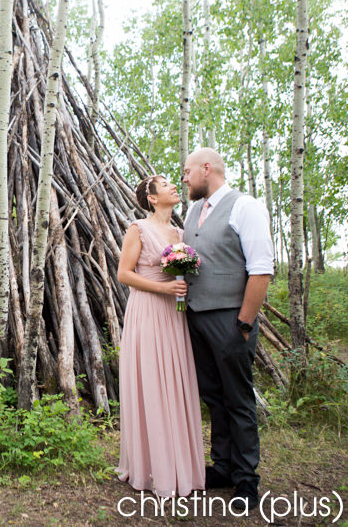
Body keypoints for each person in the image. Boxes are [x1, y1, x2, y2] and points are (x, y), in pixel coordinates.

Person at [181, 147, 274, 511]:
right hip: (197, 317)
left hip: (231, 319)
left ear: (207, 169)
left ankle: (247, 479)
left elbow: (261, 269)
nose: (184, 178)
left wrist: (244, 322)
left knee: (238, 398)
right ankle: (222, 466)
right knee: (214, 397)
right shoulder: (193, 211)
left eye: (188, 171)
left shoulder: (244, 206)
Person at [115, 174, 205, 497]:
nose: (173, 186)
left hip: (174, 315)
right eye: (165, 185)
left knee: (176, 383)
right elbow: (124, 274)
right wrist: (163, 288)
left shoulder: (180, 233)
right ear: (152, 198)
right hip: (148, 311)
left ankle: (179, 465)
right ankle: (153, 466)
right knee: (153, 382)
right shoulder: (138, 228)